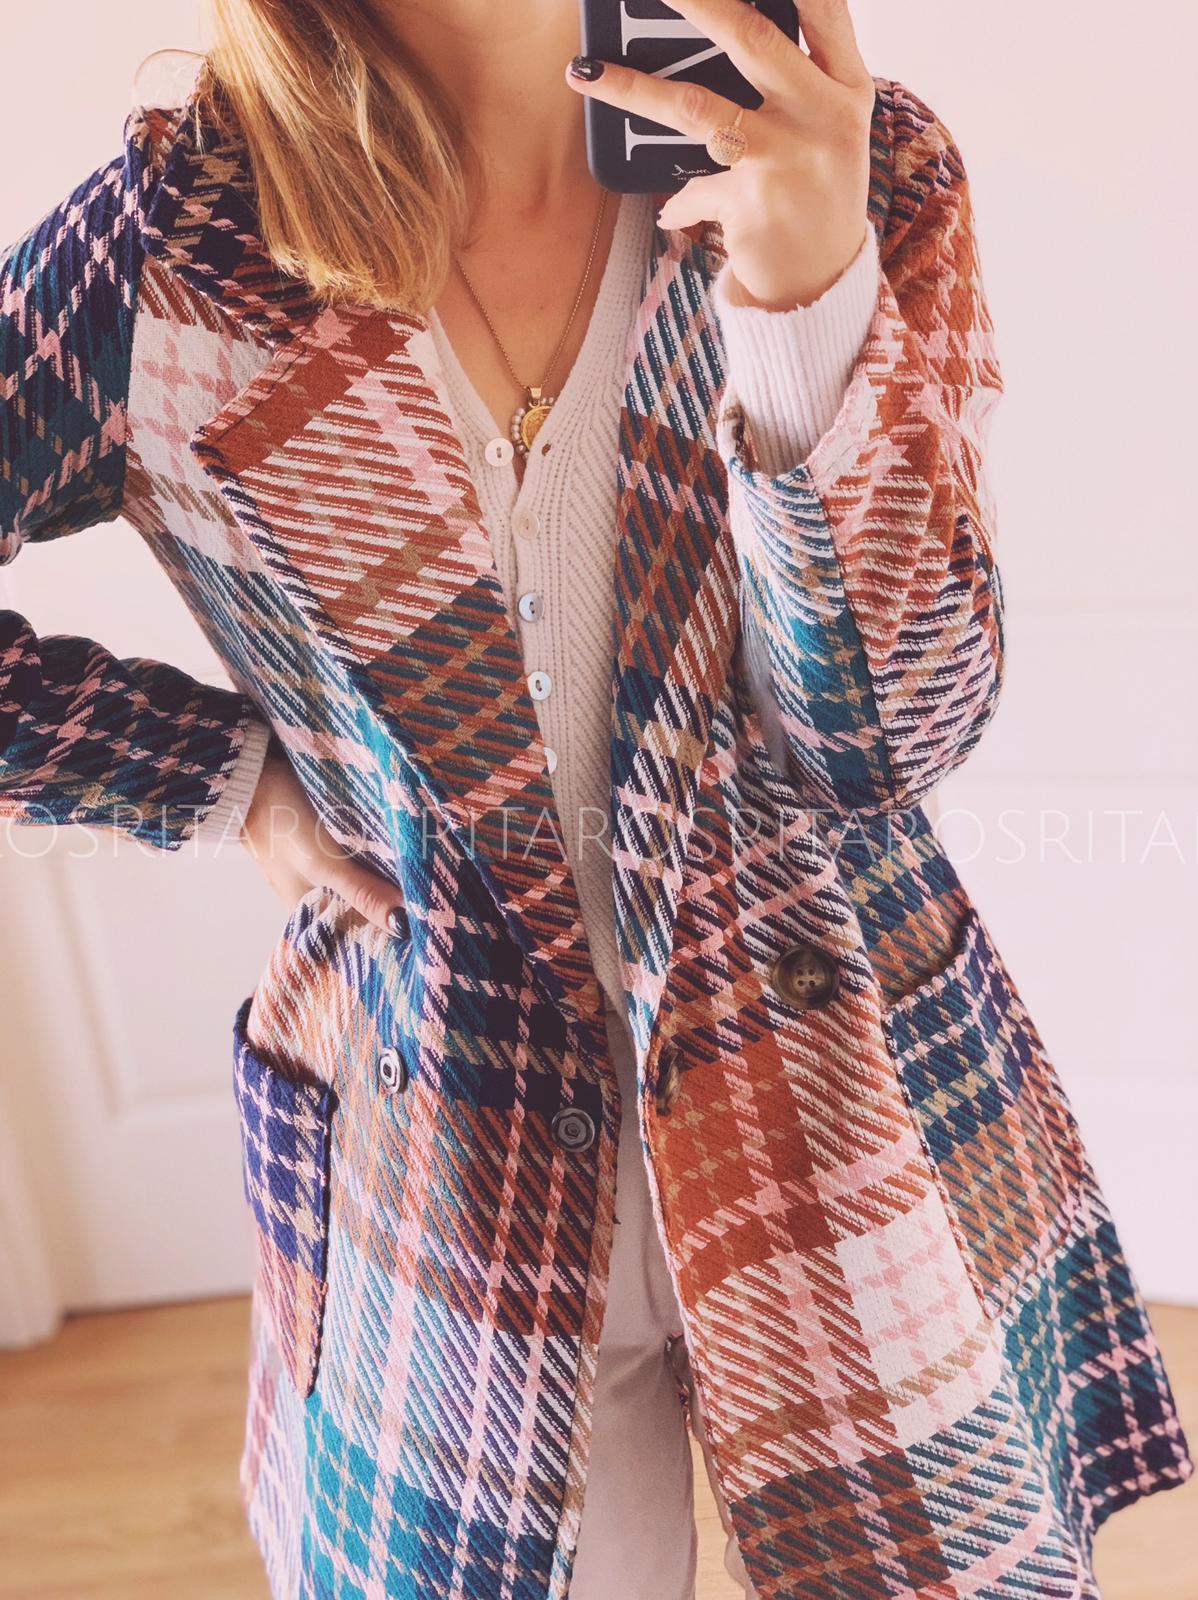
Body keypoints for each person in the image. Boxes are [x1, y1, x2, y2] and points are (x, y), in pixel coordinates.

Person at [1, 1, 1190, 1596]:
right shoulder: (182, 245)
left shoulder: (844, 159)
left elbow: (887, 741)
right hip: (443, 1151)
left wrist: (804, 302)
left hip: (839, 1107)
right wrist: (225, 780)